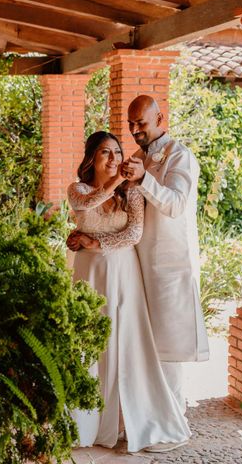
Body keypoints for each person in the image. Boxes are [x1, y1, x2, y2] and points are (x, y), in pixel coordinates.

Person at [67, 131, 190, 454]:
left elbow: (134, 233)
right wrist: (111, 184)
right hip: (88, 275)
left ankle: (129, 420)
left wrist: (97, 243)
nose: (113, 159)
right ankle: (84, 421)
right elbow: (86, 204)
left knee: (125, 342)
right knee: (88, 343)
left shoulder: (133, 192)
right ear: (91, 158)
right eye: (105, 153)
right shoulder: (78, 189)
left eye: (118, 153)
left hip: (123, 272)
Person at [121, 95, 209, 430]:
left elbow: (174, 204)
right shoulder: (136, 158)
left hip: (171, 265)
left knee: (169, 348)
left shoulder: (181, 156)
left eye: (140, 123)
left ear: (161, 118)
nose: (134, 130)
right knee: (144, 343)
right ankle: (149, 415)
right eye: (131, 124)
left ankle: (174, 421)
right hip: (138, 262)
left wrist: (143, 179)